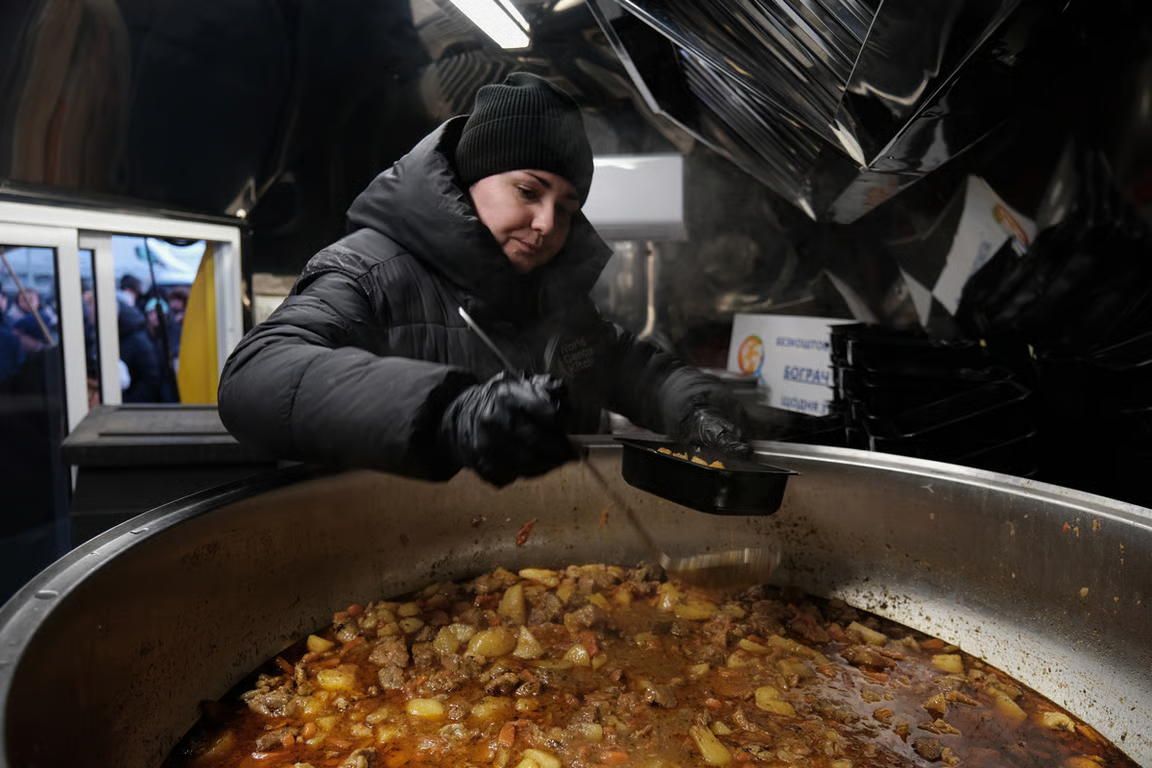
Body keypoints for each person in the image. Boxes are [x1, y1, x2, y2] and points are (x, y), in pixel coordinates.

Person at [218, 72, 749, 487]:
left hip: (556, 551)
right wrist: (451, 413)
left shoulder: (551, 300)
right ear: (472, 178)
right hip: (401, 561)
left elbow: (637, 370)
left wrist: (695, 408)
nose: (547, 224)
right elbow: (257, 378)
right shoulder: (368, 272)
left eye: (566, 208)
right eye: (527, 191)